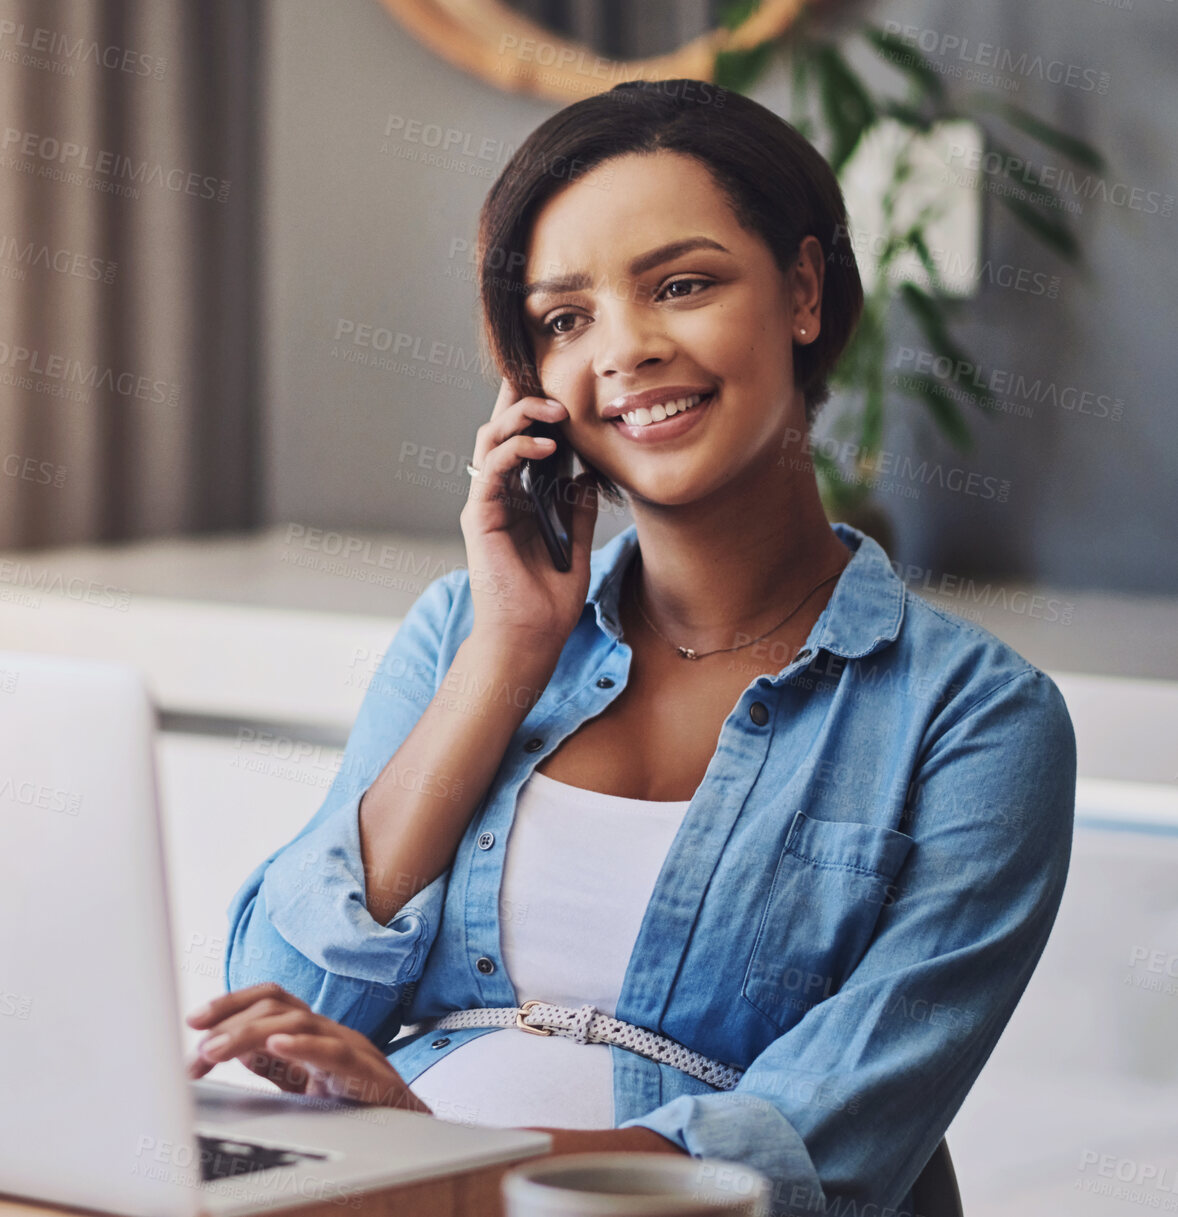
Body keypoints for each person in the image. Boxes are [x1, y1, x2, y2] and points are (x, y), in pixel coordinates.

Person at [187, 79, 1076, 1216]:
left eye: (683, 284)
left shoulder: (975, 719)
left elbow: (823, 1142)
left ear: (802, 291)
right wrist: (507, 657)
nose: (626, 349)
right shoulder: (464, 630)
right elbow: (282, 1007)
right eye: (566, 318)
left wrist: (448, 1153)